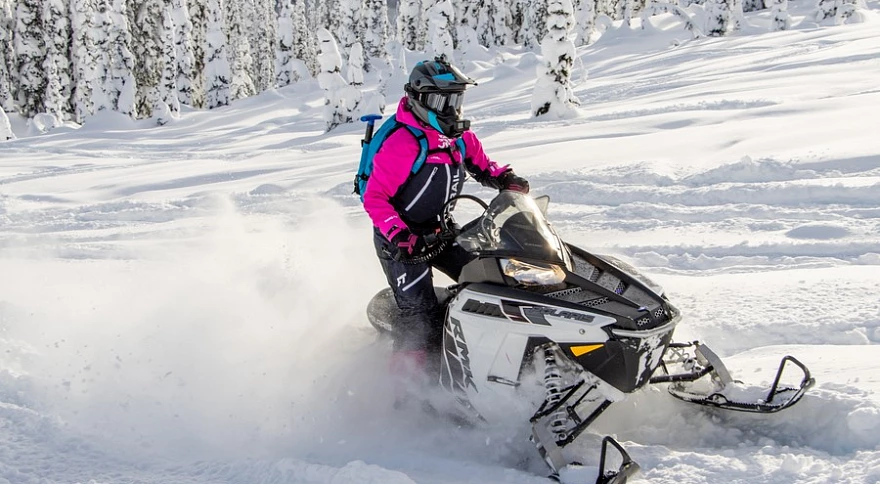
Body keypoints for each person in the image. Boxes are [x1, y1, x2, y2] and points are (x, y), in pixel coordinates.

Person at [361, 55, 530, 398]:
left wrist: (505, 179)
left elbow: (483, 166)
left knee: (490, 280)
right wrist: (401, 235)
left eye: (456, 100)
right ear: (419, 99)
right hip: (402, 243)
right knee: (419, 317)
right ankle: (405, 396)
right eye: (443, 101)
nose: (451, 110)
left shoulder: (458, 137)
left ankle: (491, 364)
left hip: (440, 232)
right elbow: (375, 198)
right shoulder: (401, 142)